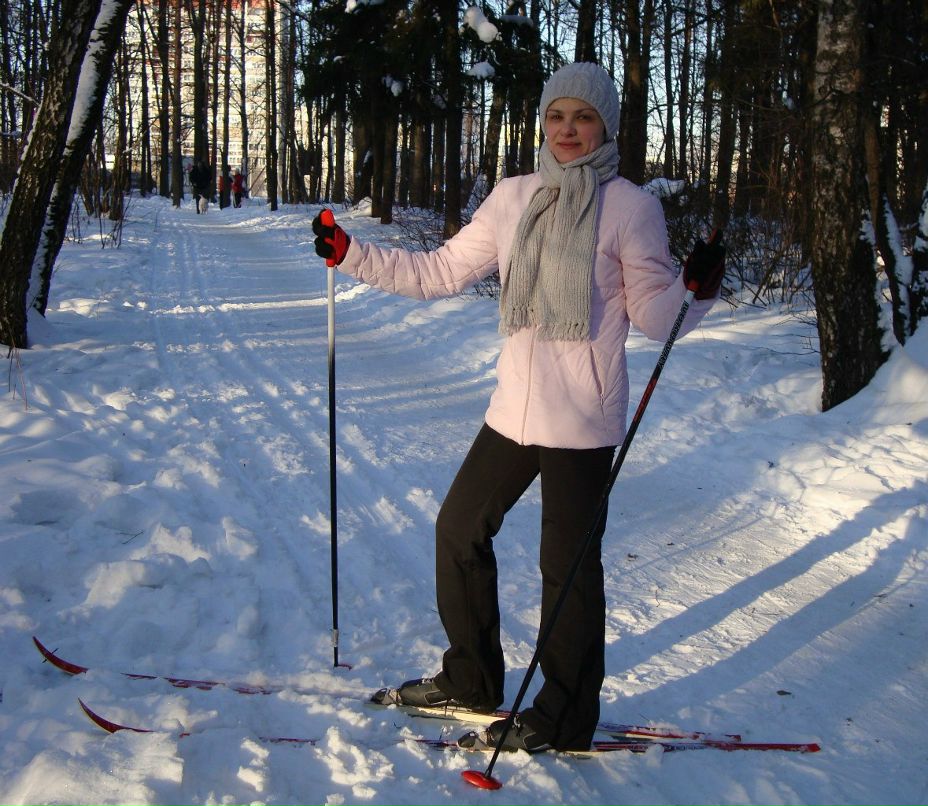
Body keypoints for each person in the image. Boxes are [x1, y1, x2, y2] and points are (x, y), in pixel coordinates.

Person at [311, 62, 725, 753]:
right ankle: (472, 680)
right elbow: (437, 272)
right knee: (459, 529)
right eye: (557, 116)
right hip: (514, 411)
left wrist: (696, 290)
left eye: (583, 118)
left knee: (566, 570)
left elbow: (656, 316)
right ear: (543, 122)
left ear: (606, 127)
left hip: (582, 420)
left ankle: (565, 716)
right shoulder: (513, 197)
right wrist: (353, 252)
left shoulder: (629, 207)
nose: (568, 130)